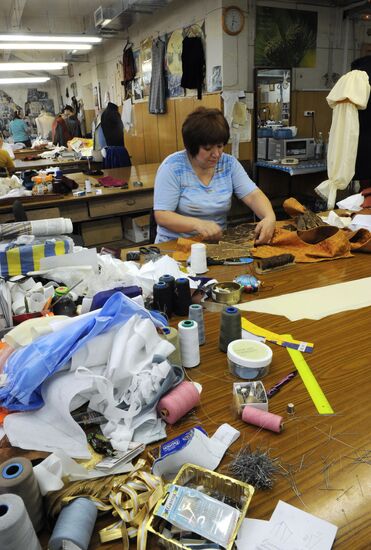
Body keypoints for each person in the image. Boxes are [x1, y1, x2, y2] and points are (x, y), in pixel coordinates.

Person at [154, 107, 276, 244]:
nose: (216, 154)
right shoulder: (172, 167)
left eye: (219, 146)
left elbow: (253, 195)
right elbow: (162, 215)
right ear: (191, 146)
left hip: (216, 245)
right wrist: (198, 224)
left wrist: (269, 216)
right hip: (174, 246)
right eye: (208, 149)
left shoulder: (228, 164)